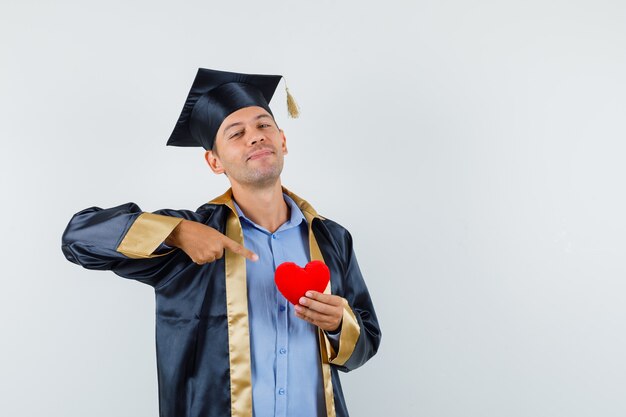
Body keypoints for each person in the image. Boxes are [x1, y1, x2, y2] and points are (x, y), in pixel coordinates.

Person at [61, 68, 381, 417]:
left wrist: (339, 325)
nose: (255, 137)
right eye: (236, 133)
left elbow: (366, 344)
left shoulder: (331, 238)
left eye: (263, 126)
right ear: (214, 161)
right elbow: (78, 236)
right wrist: (177, 233)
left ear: (283, 141)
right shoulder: (191, 237)